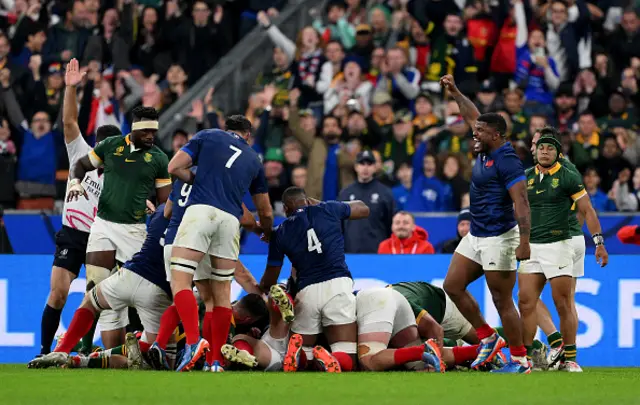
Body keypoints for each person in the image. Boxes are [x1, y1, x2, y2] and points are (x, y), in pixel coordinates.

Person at [161, 116, 274, 372]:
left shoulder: (208, 136)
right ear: (247, 136)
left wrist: (196, 180)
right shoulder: (254, 159)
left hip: (200, 212)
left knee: (181, 281)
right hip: (230, 221)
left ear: (228, 130)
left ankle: (192, 343)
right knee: (222, 294)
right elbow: (265, 211)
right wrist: (265, 231)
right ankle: (215, 361)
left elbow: (174, 167)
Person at [439, 74, 532, 374]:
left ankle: (519, 359)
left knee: (502, 300)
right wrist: (455, 92)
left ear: (497, 136)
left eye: (480, 132)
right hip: (476, 233)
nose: (474, 134)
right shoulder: (485, 142)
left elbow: (521, 202)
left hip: (500, 237)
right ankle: (489, 338)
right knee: (452, 285)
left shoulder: (508, 160)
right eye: (475, 130)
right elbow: (471, 114)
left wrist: (524, 241)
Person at [67, 101, 171, 349]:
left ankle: (129, 348)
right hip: (103, 224)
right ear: (133, 129)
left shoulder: (158, 158)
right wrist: (75, 183)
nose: (150, 136)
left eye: (154, 132)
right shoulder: (110, 146)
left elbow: (166, 200)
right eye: (146, 131)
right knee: (95, 286)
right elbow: (80, 165)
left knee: (140, 291)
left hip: (135, 230)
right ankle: (84, 346)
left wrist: (153, 206)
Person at [38, 59, 122, 356]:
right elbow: (70, 122)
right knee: (59, 292)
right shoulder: (80, 152)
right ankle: (44, 349)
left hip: (101, 236)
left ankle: (85, 349)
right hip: (73, 233)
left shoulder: (120, 172)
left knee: (95, 296)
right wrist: (71, 88)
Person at [28, 205, 173, 369]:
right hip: (159, 292)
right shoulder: (192, 223)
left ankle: (66, 351)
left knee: (90, 301)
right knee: (158, 355)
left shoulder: (160, 212)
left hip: (132, 274)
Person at [519, 130, 608, 373]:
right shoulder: (525, 177)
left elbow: (587, 210)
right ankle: (526, 360)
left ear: (558, 153)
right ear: (535, 151)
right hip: (532, 247)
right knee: (525, 302)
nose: (544, 151)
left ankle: (569, 358)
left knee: (563, 304)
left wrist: (598, 242)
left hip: (559, 246)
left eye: (550, 148)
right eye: (541, 148)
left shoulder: (568, 176)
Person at [259, 186, 370, 373]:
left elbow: (270, 278)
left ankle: (302, 356)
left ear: (285, 209)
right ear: (308, 200)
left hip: (307, 291)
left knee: (305, 349)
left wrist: (263, 286)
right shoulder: (328, 209)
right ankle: (331, 360)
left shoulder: (280, 233)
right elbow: (363, 208)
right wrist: (319, 204)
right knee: (346, 352)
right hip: (338, 284)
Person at [354, 287, 444, 372]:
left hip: (376, 301)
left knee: (368, 362)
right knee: (419, 364)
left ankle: (421, 351)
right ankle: (457, 353)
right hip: (395, 297)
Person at [221, 284, 295, 372]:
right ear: (248, 319)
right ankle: (282, 298)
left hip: (267, 355)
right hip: (279, 342)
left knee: (238, 339)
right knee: (277, 314)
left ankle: (244, 352)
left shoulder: (223, 311)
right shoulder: (231, 323)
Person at [339, 150, 394, 253]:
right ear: (356, 167)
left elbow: (390, 224)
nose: (365, 168)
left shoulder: (385, 193)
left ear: (375, 167)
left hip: (377, 253)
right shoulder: (345, 193)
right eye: (362, 163)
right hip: (351, 253)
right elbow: (338, 226)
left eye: (369, 164)